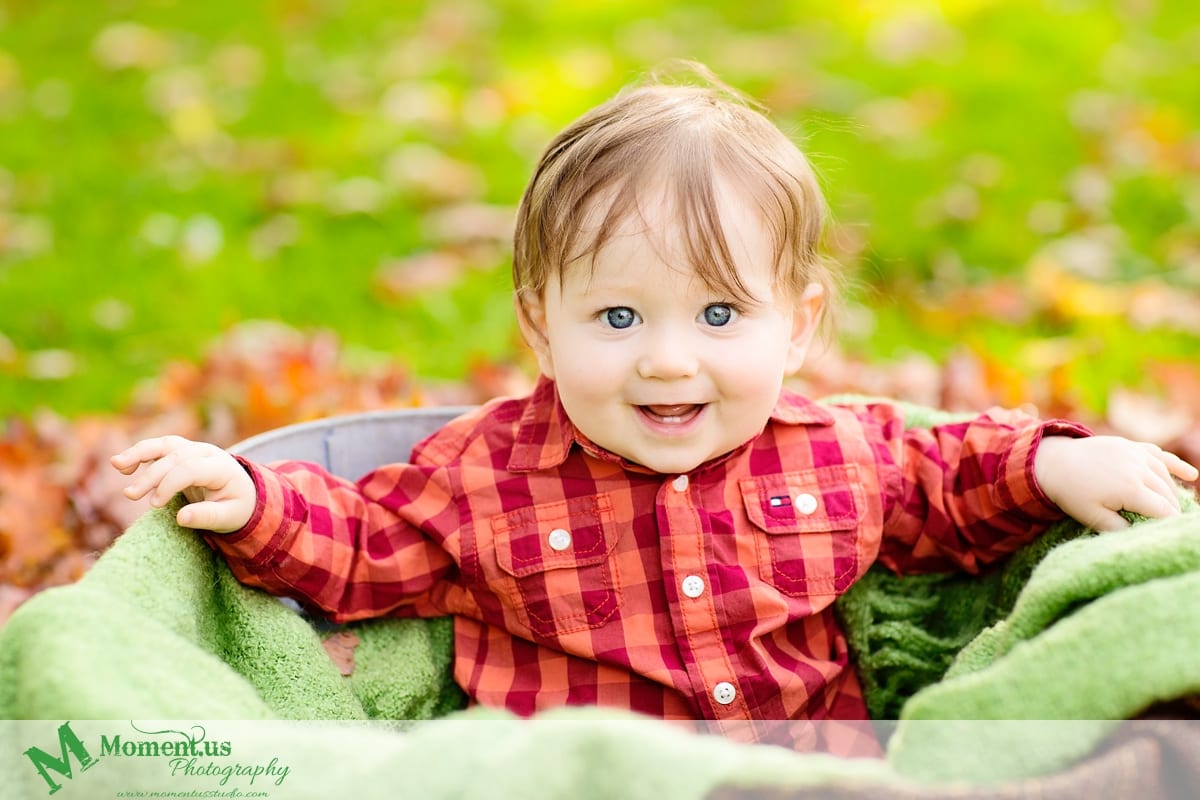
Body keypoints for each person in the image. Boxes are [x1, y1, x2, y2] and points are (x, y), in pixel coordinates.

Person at [112, 63, 1197, 752]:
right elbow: (364, 542)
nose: (669, 362)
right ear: (541, 327)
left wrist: (1059, 463)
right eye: (619, 318)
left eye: (721, 314)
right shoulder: (484, 475)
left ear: (801, 324)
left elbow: (950, 479)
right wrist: (248, 492)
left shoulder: (837, 454)